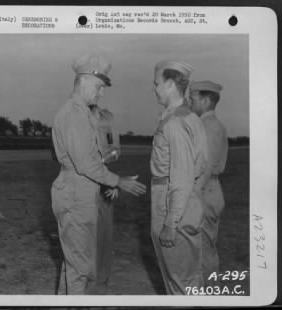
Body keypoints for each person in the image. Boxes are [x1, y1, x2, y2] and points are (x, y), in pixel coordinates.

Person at [51, 54, 146, 295]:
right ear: (84, 81)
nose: (101, 94)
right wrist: (118, 181)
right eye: (99, 86)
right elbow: (85, 164)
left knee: (75, 263)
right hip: (75, 194)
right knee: (80, 268)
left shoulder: (81, 112)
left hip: (81, 192)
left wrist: (108, 181)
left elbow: (93, 159)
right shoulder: (74, 114)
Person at [150, 60, 208, 295]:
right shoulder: (191, 117)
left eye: (157, 83)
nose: (154, 89)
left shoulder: (175, 123)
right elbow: (200, 169)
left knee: (179, 286)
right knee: (192, 282)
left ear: (170, 84)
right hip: (189, 206)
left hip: (172, 208)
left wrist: (170, 224)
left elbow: (181, 178)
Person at [189, 81, 228, 286]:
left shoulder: (208, 126)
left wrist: (191, 197)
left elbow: (206, 166)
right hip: (208, 189)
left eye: (193, 98)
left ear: (205, 101)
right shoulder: (209, 125)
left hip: (204, 190)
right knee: (203, 247)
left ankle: (208, 297)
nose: (189, 102)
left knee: (203, 250)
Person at [89, 105, 120, 294]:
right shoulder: (73, 115)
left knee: (104, 234)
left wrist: (105, 160)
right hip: (80, 182)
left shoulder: (106, 117)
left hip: (103, 180)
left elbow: (115, 149)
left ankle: (100, 285)